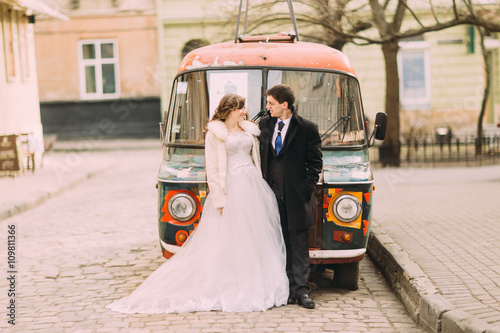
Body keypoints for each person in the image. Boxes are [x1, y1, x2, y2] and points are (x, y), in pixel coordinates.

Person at [107, 94, 288, 314]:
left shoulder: (249, 130)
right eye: (240, 108)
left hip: (252, 185)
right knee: (230, 237)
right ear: (230, 110)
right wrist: (220, 199)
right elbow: (212, 169)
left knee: (254, 235)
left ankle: (256, 278)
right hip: (230, 186)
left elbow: (255, 159)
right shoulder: (215, 135)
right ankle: (232, 281)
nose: (244, 112)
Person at [259, 84, 323, 309]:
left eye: (271, 103)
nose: (267, 108)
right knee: (279, 244)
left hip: (297, 198)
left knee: (298, 246)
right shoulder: (264, 125)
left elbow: (315, 164)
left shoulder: (307, 129)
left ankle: (302, 292)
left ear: (284, 105)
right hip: (271, 197)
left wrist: (306, 190)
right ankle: (284, 290)